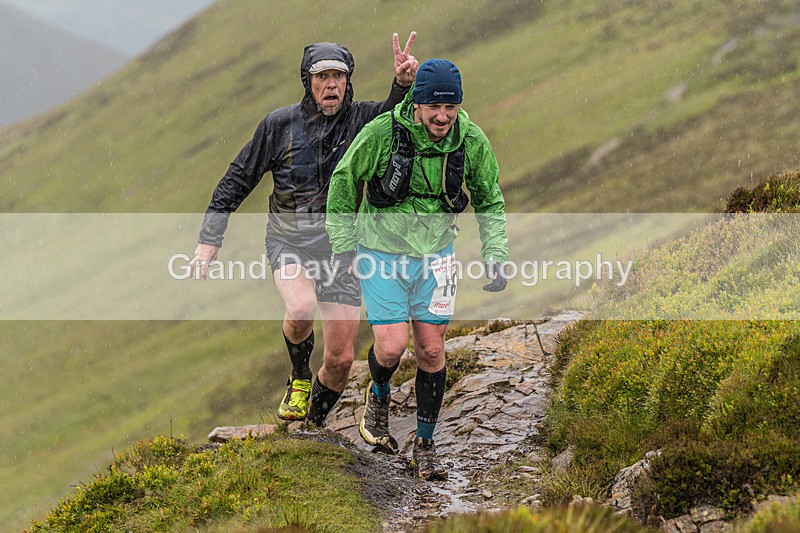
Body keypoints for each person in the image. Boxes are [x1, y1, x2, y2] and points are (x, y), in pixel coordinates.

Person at [189, 33, 419, 428]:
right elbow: (237, 179)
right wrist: (209, 240)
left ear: (348, 82)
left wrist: (401, 85)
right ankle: (298, 375)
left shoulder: (362, 120)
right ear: (307, 82)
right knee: (298, 309)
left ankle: (310, 427)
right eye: (322, 77)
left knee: (342, 360)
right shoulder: (279, 126)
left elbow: (392, 120)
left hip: (344, 248)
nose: (331, 85)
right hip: (289, 240)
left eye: (339, 76)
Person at [325, 58, 509, 480]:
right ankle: (379, 393)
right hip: (381, 251)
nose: (443, 117)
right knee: (390, 346)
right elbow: (343, 180)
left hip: (438, 255)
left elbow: (490, 198)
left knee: (430, 349)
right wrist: (342, 246)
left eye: (451, 107)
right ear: (418, 103)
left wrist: (495, 253)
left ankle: (424, 444)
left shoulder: (471, 139)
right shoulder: (383, 133)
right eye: (434, 108)